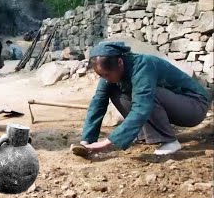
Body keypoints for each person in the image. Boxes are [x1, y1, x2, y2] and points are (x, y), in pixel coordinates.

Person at [75, 41, 211, 156]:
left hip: (194, 106)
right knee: (116, 93)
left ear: (120, 62)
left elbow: (142, 107)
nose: (105, 79)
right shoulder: (111, 72)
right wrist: (86, 141)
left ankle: (169, 141)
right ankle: (144, 135)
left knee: (148, 95)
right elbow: (98, 103)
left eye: (107, 74)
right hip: (175, 104)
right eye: (101, 76)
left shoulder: (143, 65)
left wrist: (108, 142)